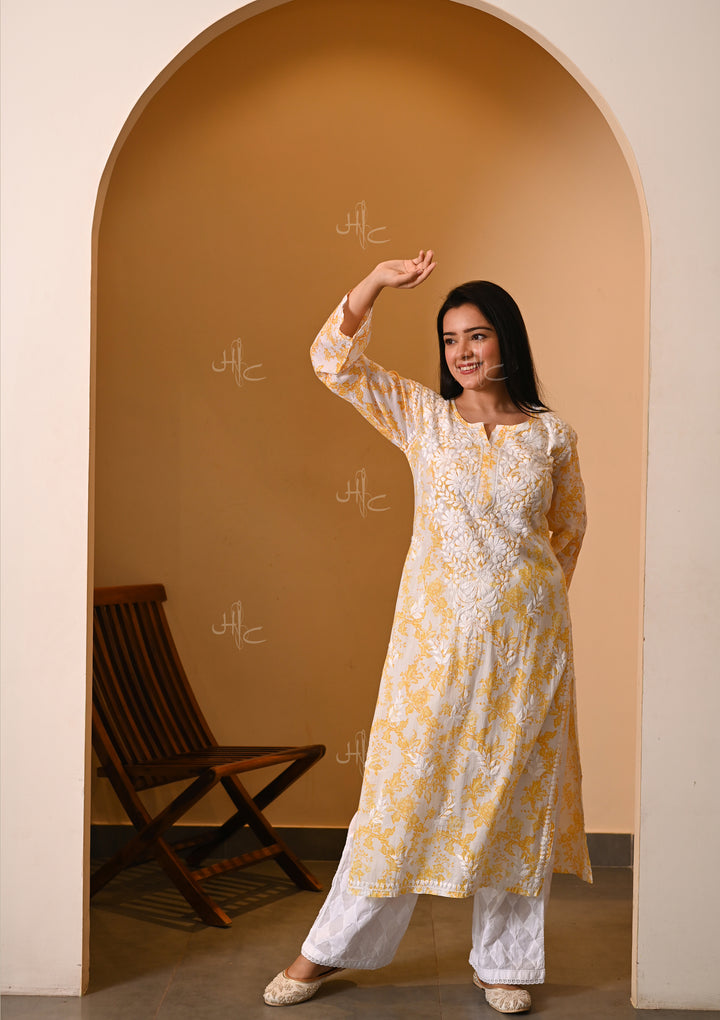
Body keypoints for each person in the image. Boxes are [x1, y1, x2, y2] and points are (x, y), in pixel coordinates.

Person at [263, 251, 591, 1014]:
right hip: (432, 647)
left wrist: (519, 610)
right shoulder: (424, 418)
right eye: (450, 339)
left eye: (477, 335)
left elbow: (568, 533)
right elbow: (333, 363)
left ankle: (504, 962)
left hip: (528, 645)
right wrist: (375, 283)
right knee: (400, 795)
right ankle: (324, 952)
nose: (462, 352)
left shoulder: (552, 436)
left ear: (507, 339)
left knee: (515, 797)